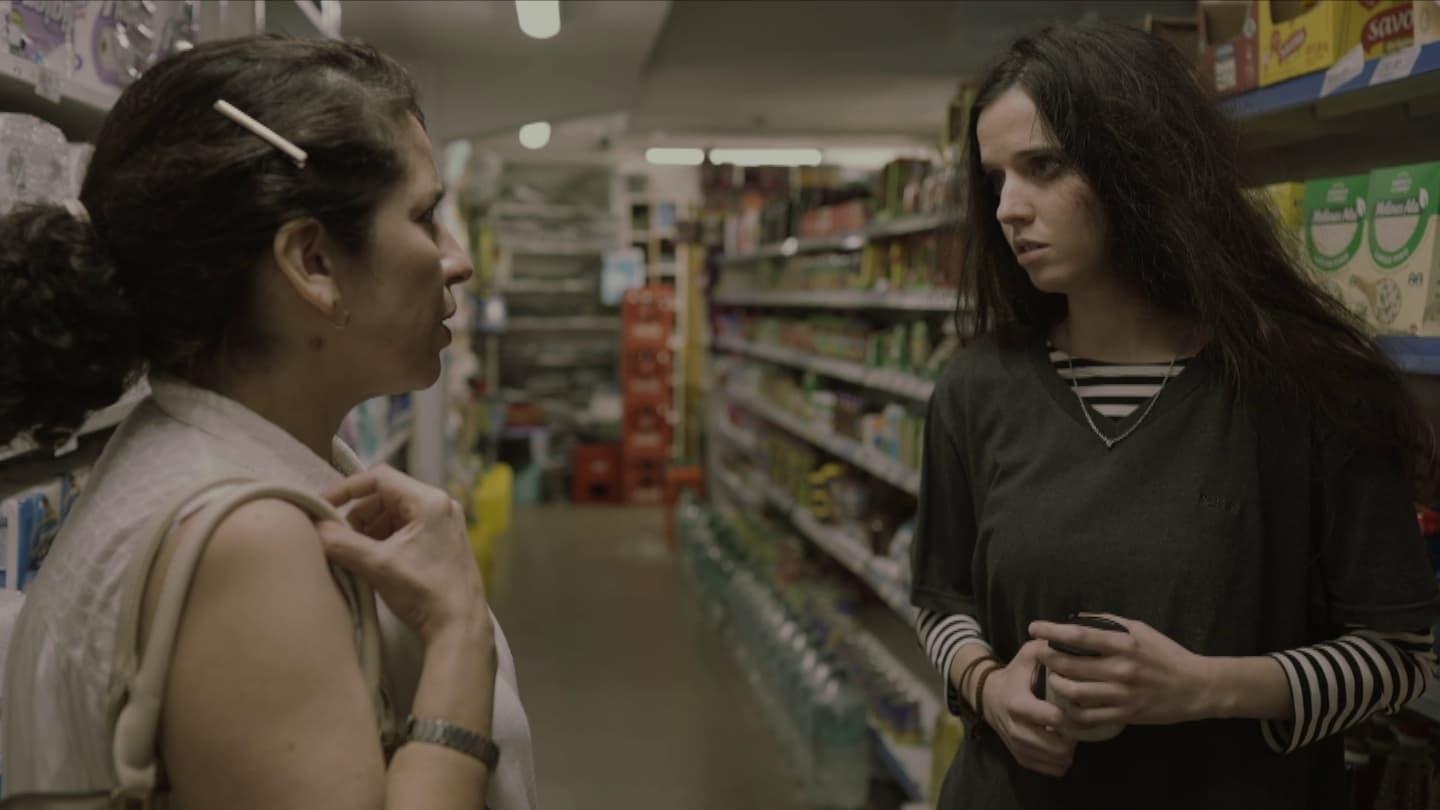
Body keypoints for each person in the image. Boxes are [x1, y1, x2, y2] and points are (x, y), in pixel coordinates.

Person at [910, 22, 1440, 809]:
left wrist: (1208, 688)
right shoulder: (977, 387)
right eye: (995, 181)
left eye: (1044, 167)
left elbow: (1400, 659)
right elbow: (940, 598)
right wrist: (988, 690)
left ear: (1138, 163)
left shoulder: (1313, 389)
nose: (1008, 209)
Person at [0, 35, 537, 810]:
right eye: (425, 219)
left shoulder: (230, 457)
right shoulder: (245, 546)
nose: (457, 260)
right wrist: (459, 635)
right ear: (313, 263)